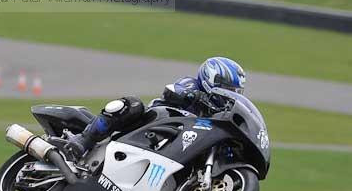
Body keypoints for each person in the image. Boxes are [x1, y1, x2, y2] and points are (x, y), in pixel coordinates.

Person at [64, 56, 246, 160]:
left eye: (235, 91)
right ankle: (84, 139)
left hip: (173, 148)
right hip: (152, 123)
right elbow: (172, 91)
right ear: (211, 78)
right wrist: (192, 95)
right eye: (227, 88)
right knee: (132, 103)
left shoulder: (218, 112)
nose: (229, 93)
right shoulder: (191, 84)